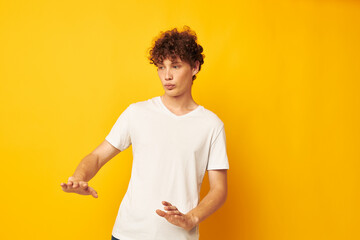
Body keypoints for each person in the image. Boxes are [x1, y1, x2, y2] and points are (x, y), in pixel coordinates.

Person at [60, 25, 229, 240]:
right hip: (127, 234)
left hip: (178, 237)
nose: (167, 75)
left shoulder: (211, 125)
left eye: (175, 66)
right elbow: (97, 156)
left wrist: (192, 218)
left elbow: (219, 189)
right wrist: (79, 177)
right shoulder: (137, 113)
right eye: (161, 67)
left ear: (195, 67)